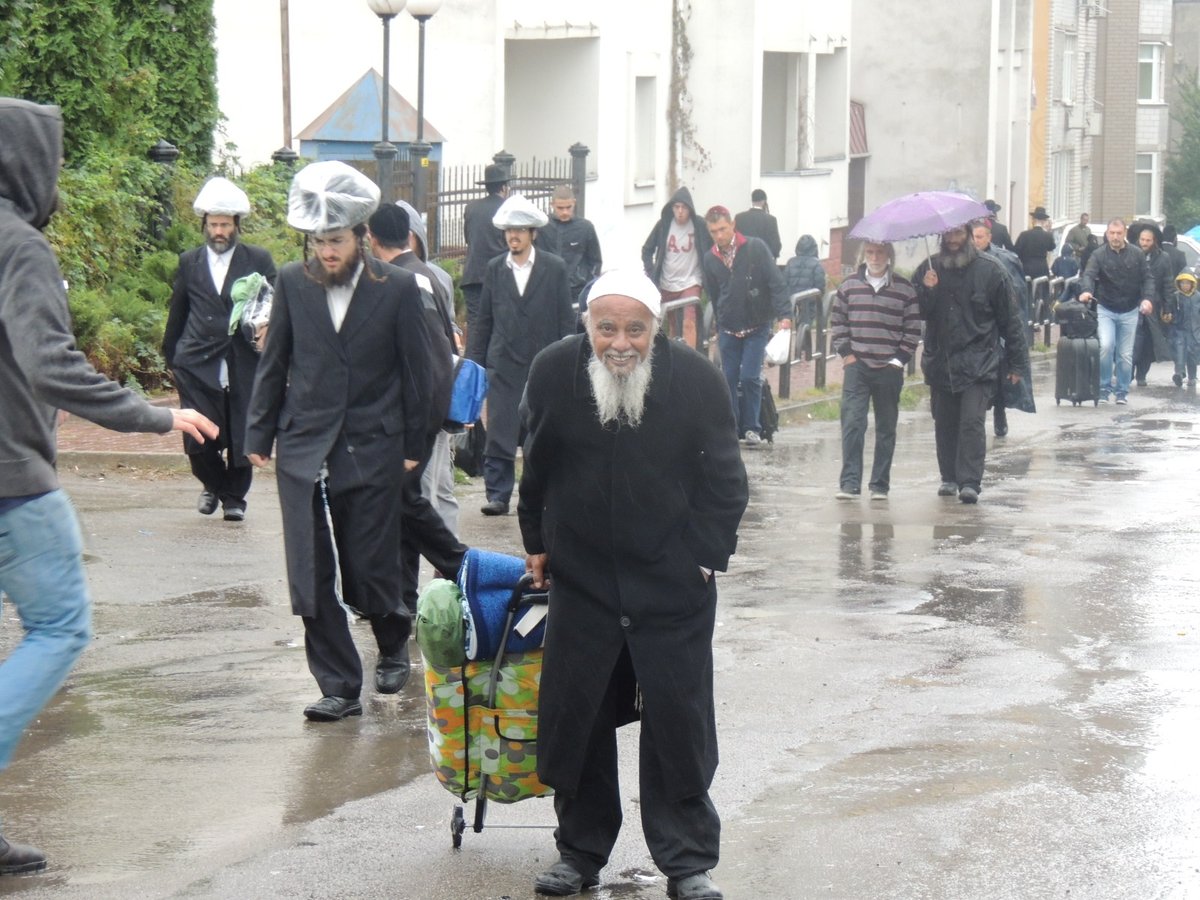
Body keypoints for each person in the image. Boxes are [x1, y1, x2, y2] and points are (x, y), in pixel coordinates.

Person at [0, 97, 217, 873]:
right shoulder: (17, 244)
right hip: (11, 482)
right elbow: (48, 363)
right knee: (59, 628)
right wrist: (153, 416)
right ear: (30, 163)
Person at [518, 269, 749, 900]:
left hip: (671, 583)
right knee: (579, 716)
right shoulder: (551, 370)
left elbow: (726, 480)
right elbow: (534, 464)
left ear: (657, 328)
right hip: (584, 579)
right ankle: (579, 853)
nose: (620, 343)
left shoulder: (697, 379)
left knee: (678, 722)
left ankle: (688, 862)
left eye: (635, 329)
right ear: (587, 325)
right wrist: (536, 543)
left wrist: (703, 559)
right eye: (606, 328)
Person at [245, 161, 434, 720]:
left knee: (369, 561)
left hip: (374, 443)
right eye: (320, 241)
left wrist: (413, 443)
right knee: (309, 570)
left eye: (338, 240)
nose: (328, 251)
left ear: (360, 237)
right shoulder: (291, 283)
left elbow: (418, 370)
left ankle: (393, 640)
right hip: (304, 443)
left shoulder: (398, 287)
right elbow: (275, 358)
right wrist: (258, 430)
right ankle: (338, 685)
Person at [366, 203, 467, 617]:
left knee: (407, 505)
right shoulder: (424, 276)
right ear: (410, 236)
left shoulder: (408, 281)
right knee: (402, 508)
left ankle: (463, 567)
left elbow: (430, 359)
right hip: (416, 414)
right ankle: (404, 596)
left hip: (410, 418)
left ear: (372, 239)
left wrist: (420, 427)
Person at [162, 177, 277, 522]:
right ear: (204, 225)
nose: (219, 231)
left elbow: (272, 308)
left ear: (236, 225)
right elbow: (178, 310)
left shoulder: (258, 259)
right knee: (199, 434)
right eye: (213, 225)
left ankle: (234, 499)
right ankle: (212, 484)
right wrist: (172, 356)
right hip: (197, 360)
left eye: (225, 224)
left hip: (244, 359)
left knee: (242, 429)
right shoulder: (190, 261)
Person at [466, 193, 575, 516]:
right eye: (509, 231)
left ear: (533, 233)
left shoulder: (554, 268)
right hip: (503, 361)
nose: (513, 236)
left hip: (541, 363)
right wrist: (475, 362)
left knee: (539, 430)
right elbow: (484, 319)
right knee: (500, 428)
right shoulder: (495, 268)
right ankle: (498, 494)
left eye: (520, 230)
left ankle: (537, 493)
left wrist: (566, 358)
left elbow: (564, 320)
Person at [915, 224, 1028, 504]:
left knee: (972, 422)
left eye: (958, 234)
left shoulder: (991, 270)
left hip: (980, 360)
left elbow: (1010, 320)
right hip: (942, 360)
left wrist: (1016, 363)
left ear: (967, 236)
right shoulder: (928, 269)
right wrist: (927, 291)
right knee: (944, 422)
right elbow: (919, 313)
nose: (953, 240)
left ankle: (970, 482)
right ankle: (949, 478)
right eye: (948, 235)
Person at [830, 242, 920, 501]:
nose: (875, 257)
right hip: (857, 366)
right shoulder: (848, 286)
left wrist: (898, 360)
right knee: (853, 423)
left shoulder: (904, 289)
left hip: (889, 368)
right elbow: (838, 323)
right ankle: (849, 483)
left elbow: (912, 329)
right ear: (863, 255)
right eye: (870, 252)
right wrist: (847, 354)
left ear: (889, 255)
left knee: (886, 427)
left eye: (880, 252)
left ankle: (879, 485)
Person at [393, 198, 460, 532]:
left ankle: (451, 569)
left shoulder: (435, 277)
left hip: (432, 395)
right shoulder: (382, 276)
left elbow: (446, 329)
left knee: (439, 484)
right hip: (405, 400)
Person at [700, 205, 791, 447]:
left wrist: (785, 314)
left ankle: (752, 428)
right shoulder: (710, 258)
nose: (719, 235)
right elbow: (713, 291)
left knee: (750, 376)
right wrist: (720, 319)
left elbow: (775, 281)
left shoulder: (755, 248)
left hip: (756, 323)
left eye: (722, 229)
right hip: (729, 326)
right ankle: (733, 428)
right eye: (713, 232)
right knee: (727, 378)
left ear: (732, 225)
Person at [1078, 218, 1155, 404]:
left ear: (1125, 233)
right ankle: (1104, 388)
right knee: (1105, 347)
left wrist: (1147, 299)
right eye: (1112, 233)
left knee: (1125, 355)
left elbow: (1147, 278)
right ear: (1107, 234)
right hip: (1106, 308)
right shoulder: (1098, 254)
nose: (1115, 237)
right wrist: (1086, 290)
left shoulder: (1136, 254)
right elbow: (1088, 274)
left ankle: (1122, 392)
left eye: (1118, 233)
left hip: (1130, 310)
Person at [972, 220, 1031, 438]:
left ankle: (999, 410)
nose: (975, 241)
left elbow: (1017, 295)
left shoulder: (1004, 260)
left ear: (989, 237)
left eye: (979, 237)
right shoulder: (964, 261)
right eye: (973, 237)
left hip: (999, 326)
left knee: (999, 373)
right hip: (975, 327)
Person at [641, 187, 711, 348]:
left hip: (691, 281)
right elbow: (647, 249)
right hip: (667, 281)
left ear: (690, 209)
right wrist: (652, 273)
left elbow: (711, 249)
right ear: (671, 208)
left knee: (689, 322)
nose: (680, 211)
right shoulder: (664, 224)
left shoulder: (699, 225)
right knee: (672, 324)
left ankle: (691, 360)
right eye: (676, 207)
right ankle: (675, 358)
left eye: (684, 208)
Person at [460, 163, 510, 335]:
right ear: (504, 187)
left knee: (475, 324)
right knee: (500, 323)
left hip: (473, 275)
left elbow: (468, 239)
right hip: (501, 275)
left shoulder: (471, 208)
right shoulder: (508, 208)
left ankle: (474, 360)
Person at [535, 184, 602, 305]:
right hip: (547, 291)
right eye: (560, 208)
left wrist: (589, 283)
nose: (565, 212)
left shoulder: (585, 228)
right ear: (552, 205)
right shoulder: (542, 227)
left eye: (568, 207)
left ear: (574, 203)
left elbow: (595, 260)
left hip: (577, 291)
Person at [1129, 221, 1175, 387]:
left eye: (1148, 240)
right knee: (1133, 341)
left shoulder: (1163, 258)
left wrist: (1168, 308)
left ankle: (1142, 374)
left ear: (1154, 241)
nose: (1144, 243)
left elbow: (1168, 285)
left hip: (1152, 308)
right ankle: (1128, 372)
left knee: (1148, 343)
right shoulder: (1131, 254)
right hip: (1132, 304)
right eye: (1142, 239)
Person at [784, 234, 827, 350]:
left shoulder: (790, 262)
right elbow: (820, 285)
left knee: (791, 322)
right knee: (806, 322)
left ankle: (793, 348)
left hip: (792, 299)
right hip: (809, 300)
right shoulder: (816, 264)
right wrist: (818, 297)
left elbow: (785, 281)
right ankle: (804, 349)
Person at [1014, 206, 1055, 324]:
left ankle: (1028, 318)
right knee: (1042, 294)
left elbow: (1016, 251)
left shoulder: (1024, 235)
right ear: (1043, 222)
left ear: (1033, 220)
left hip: (1027, 267)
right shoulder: (1047, 236)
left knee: (1027, 294)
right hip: (1042, 267)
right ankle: (1042, 318)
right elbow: (1052, 247)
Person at [1169, 271, 1200, 387]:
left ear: (1193, 284)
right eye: (1182, 283)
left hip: (1194, 331)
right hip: (1179, 330)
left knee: (1192, 354)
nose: (1185, 286)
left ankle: (1192, 377)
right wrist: (1169, 317)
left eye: (1188, 283)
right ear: (1179, 284)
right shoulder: (1176, 296)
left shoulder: (1197, 297)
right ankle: (1179, 374)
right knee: (1179, 352)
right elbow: (1169, 310)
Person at [734, 188, 782, 261]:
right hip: (763, 262)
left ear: (752, 201)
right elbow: (776, 245)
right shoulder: (771, 219)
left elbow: (734, 240)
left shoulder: (739, 218)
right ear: (764, 201)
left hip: (744, 261)